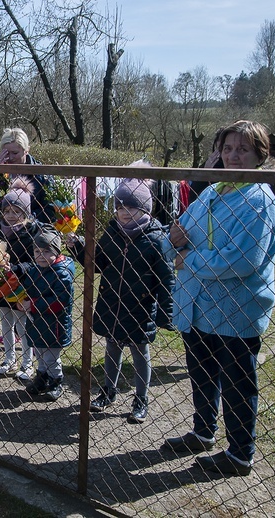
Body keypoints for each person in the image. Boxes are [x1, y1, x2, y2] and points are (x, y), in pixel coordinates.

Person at [163, 120, 275, 477]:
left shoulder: (258, 200)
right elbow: (176, 235)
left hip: (235, 308)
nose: (233, 156)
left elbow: (243, 259)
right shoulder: (214, 192)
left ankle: (240, 454)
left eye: (242, 149)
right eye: (228, 148)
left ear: (259, 155)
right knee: (202, 374)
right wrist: (174, 241)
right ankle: (203, 432)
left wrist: (190, 258)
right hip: (198, 307)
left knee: (237, 382)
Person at [66, 177, 175, 423]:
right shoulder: (112, 232)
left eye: (131, 207)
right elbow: (97, 263)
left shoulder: (157, 238)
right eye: (119, 207)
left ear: (145, 208)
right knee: (112, 347)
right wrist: (78, 247)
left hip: (140, 307)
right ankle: (108, 390)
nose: (124, 213)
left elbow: (167, 278)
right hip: (112, 303)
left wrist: (166, 313)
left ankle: (141, 398)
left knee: (139, 352)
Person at [9, 225, 75, 402]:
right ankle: (42, 377)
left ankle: (56, 381)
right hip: (37, 321)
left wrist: (33, 304)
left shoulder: (62, 273)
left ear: (56, 251)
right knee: (39, 352)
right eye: (37, 251)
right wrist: (22, 298)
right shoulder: (36, 269)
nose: (41, 256)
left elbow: (59, 301)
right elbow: (28, 287)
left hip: (55, 324)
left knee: (51, 356)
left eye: (46, 252)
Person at [0, 179, 37, 381]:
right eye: (8, 211)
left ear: (26, 214)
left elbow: (35, 262)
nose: (11, 216)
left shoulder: (31, 234)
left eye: (17, 212)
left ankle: (27, 364)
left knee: (23, 326)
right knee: (5, 324)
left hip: (21, 287)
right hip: (0, 286)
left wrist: (14, 268)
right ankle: (8, 359)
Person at [0, 127, 54, 225]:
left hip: (31, 232)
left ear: (26, 150)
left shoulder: (41, 175)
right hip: (0, 230)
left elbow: (50, 211)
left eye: (15, 153)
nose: (10, 157)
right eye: (6, 153)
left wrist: (25, 219)